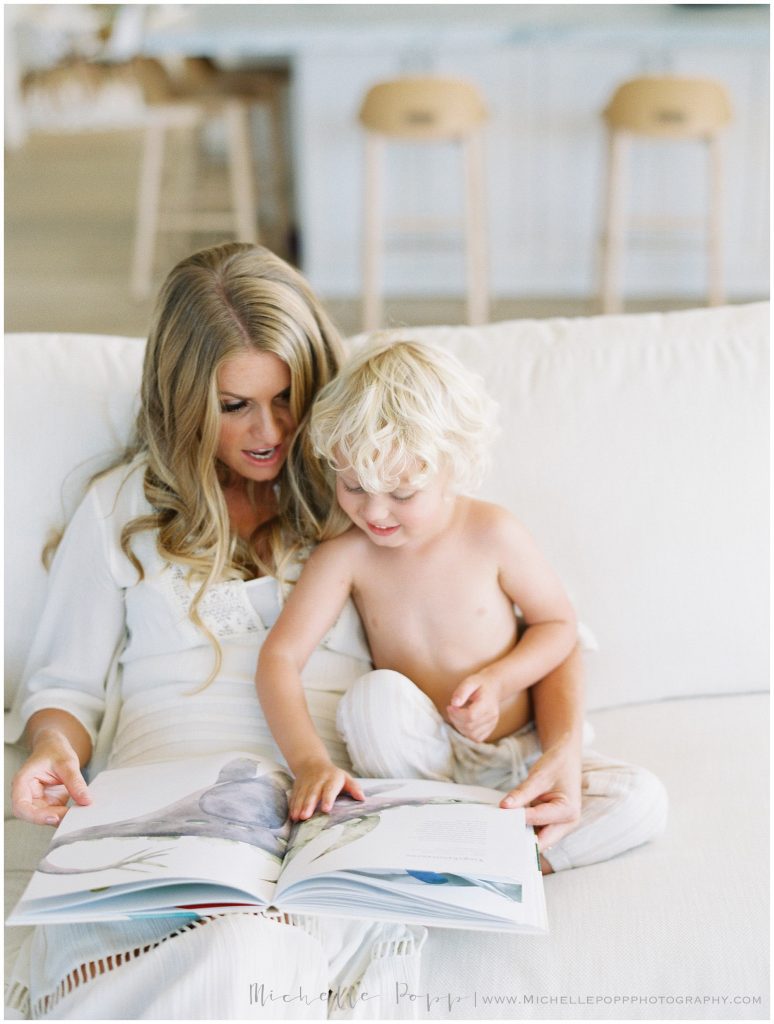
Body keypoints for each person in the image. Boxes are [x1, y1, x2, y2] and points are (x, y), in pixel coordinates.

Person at [7, 244, 429, 1020]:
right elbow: (64, 688)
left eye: (286, 397)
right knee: (235, 960)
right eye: (235, 406)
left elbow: (464, 624)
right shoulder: (118, 508)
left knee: (250, 956)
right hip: (162, 828)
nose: (268, 432)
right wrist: (54, 748)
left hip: (319, 830)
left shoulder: (360, 498)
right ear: (184, 399)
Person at [257, 338, 668, 873]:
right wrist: (309, 760)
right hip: (426, 762)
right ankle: (454, 840)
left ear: (453, 467)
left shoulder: (492, 532)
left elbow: (557, 623)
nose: (375, 511)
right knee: (372, 700)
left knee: (642, 799)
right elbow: (279, 660)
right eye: (353, 485)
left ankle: (499, 860)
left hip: (521, 755)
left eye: (402, 493)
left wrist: (499, 681)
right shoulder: (345, 557)